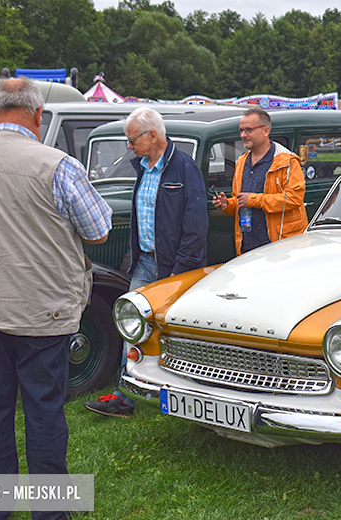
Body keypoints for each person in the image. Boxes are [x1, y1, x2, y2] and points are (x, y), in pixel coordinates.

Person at [0, 77, 112, 520]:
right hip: (41, 309)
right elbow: (99, 230)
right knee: (43, 408)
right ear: (37, 116)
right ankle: (50, 512)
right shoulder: (58, 165)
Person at [84, 106, 209, 417]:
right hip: (144, 262)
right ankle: (126, 394)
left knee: (175, 330)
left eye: (133, 139)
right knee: (132, 324)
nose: (129, 145)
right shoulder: (141, 168)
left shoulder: (184, 168)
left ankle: (184, 392)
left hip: (175, 267)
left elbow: (195, 226)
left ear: (153, 136)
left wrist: (181, 271)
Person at [213, 107, 308, 254]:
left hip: (281, 248)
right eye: (241, 131)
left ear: (266, 131)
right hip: (248, 246)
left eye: (249, 130)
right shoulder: (241, 162)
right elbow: (239, 200)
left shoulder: (288, 161)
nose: (243, 135)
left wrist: (253, 200)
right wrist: (227, 205)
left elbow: (294, 198)